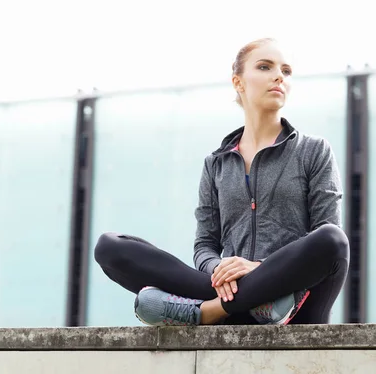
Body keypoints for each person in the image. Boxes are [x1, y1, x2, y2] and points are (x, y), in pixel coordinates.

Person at [94, 38, 349, 326]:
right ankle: (242, 303)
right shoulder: (216, 163)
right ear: (238, 82)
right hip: (224, 287)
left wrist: (257, 268)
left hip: (292, 302)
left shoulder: (313, 151)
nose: (279, 76)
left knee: (332, 240)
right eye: (265, 67)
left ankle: (207, 312)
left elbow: (325, 234)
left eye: (286, 71)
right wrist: (220, 269)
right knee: (109, 247)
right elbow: (205, 245)